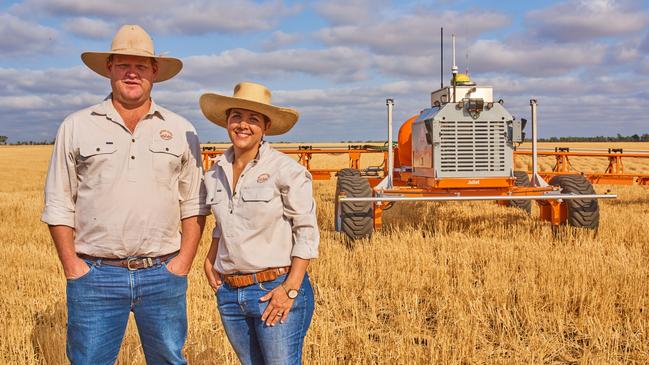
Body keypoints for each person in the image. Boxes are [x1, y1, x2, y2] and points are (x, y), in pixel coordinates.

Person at [41, 24, 209, 364]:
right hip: (95, 275)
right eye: (123, 65)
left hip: (163, 273)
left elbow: (194, 202)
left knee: (169, 360)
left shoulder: (181, 129)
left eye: (141, 66)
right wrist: (73, 266)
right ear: (109, 69)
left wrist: (183, 263)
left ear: (154, 72)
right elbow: (58, 202)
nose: (132, 73)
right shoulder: (77, 125)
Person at [200, 82, 319, 364]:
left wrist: (290, 288)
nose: (243, 125)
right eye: (236, 117)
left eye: (253, 119)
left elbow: (306, 231)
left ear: (265, 126)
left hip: (274, 288)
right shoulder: (214, 173)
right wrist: (210, 257)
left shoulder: (286, 170)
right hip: (230, 294)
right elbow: (223, 222)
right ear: (227, 122)